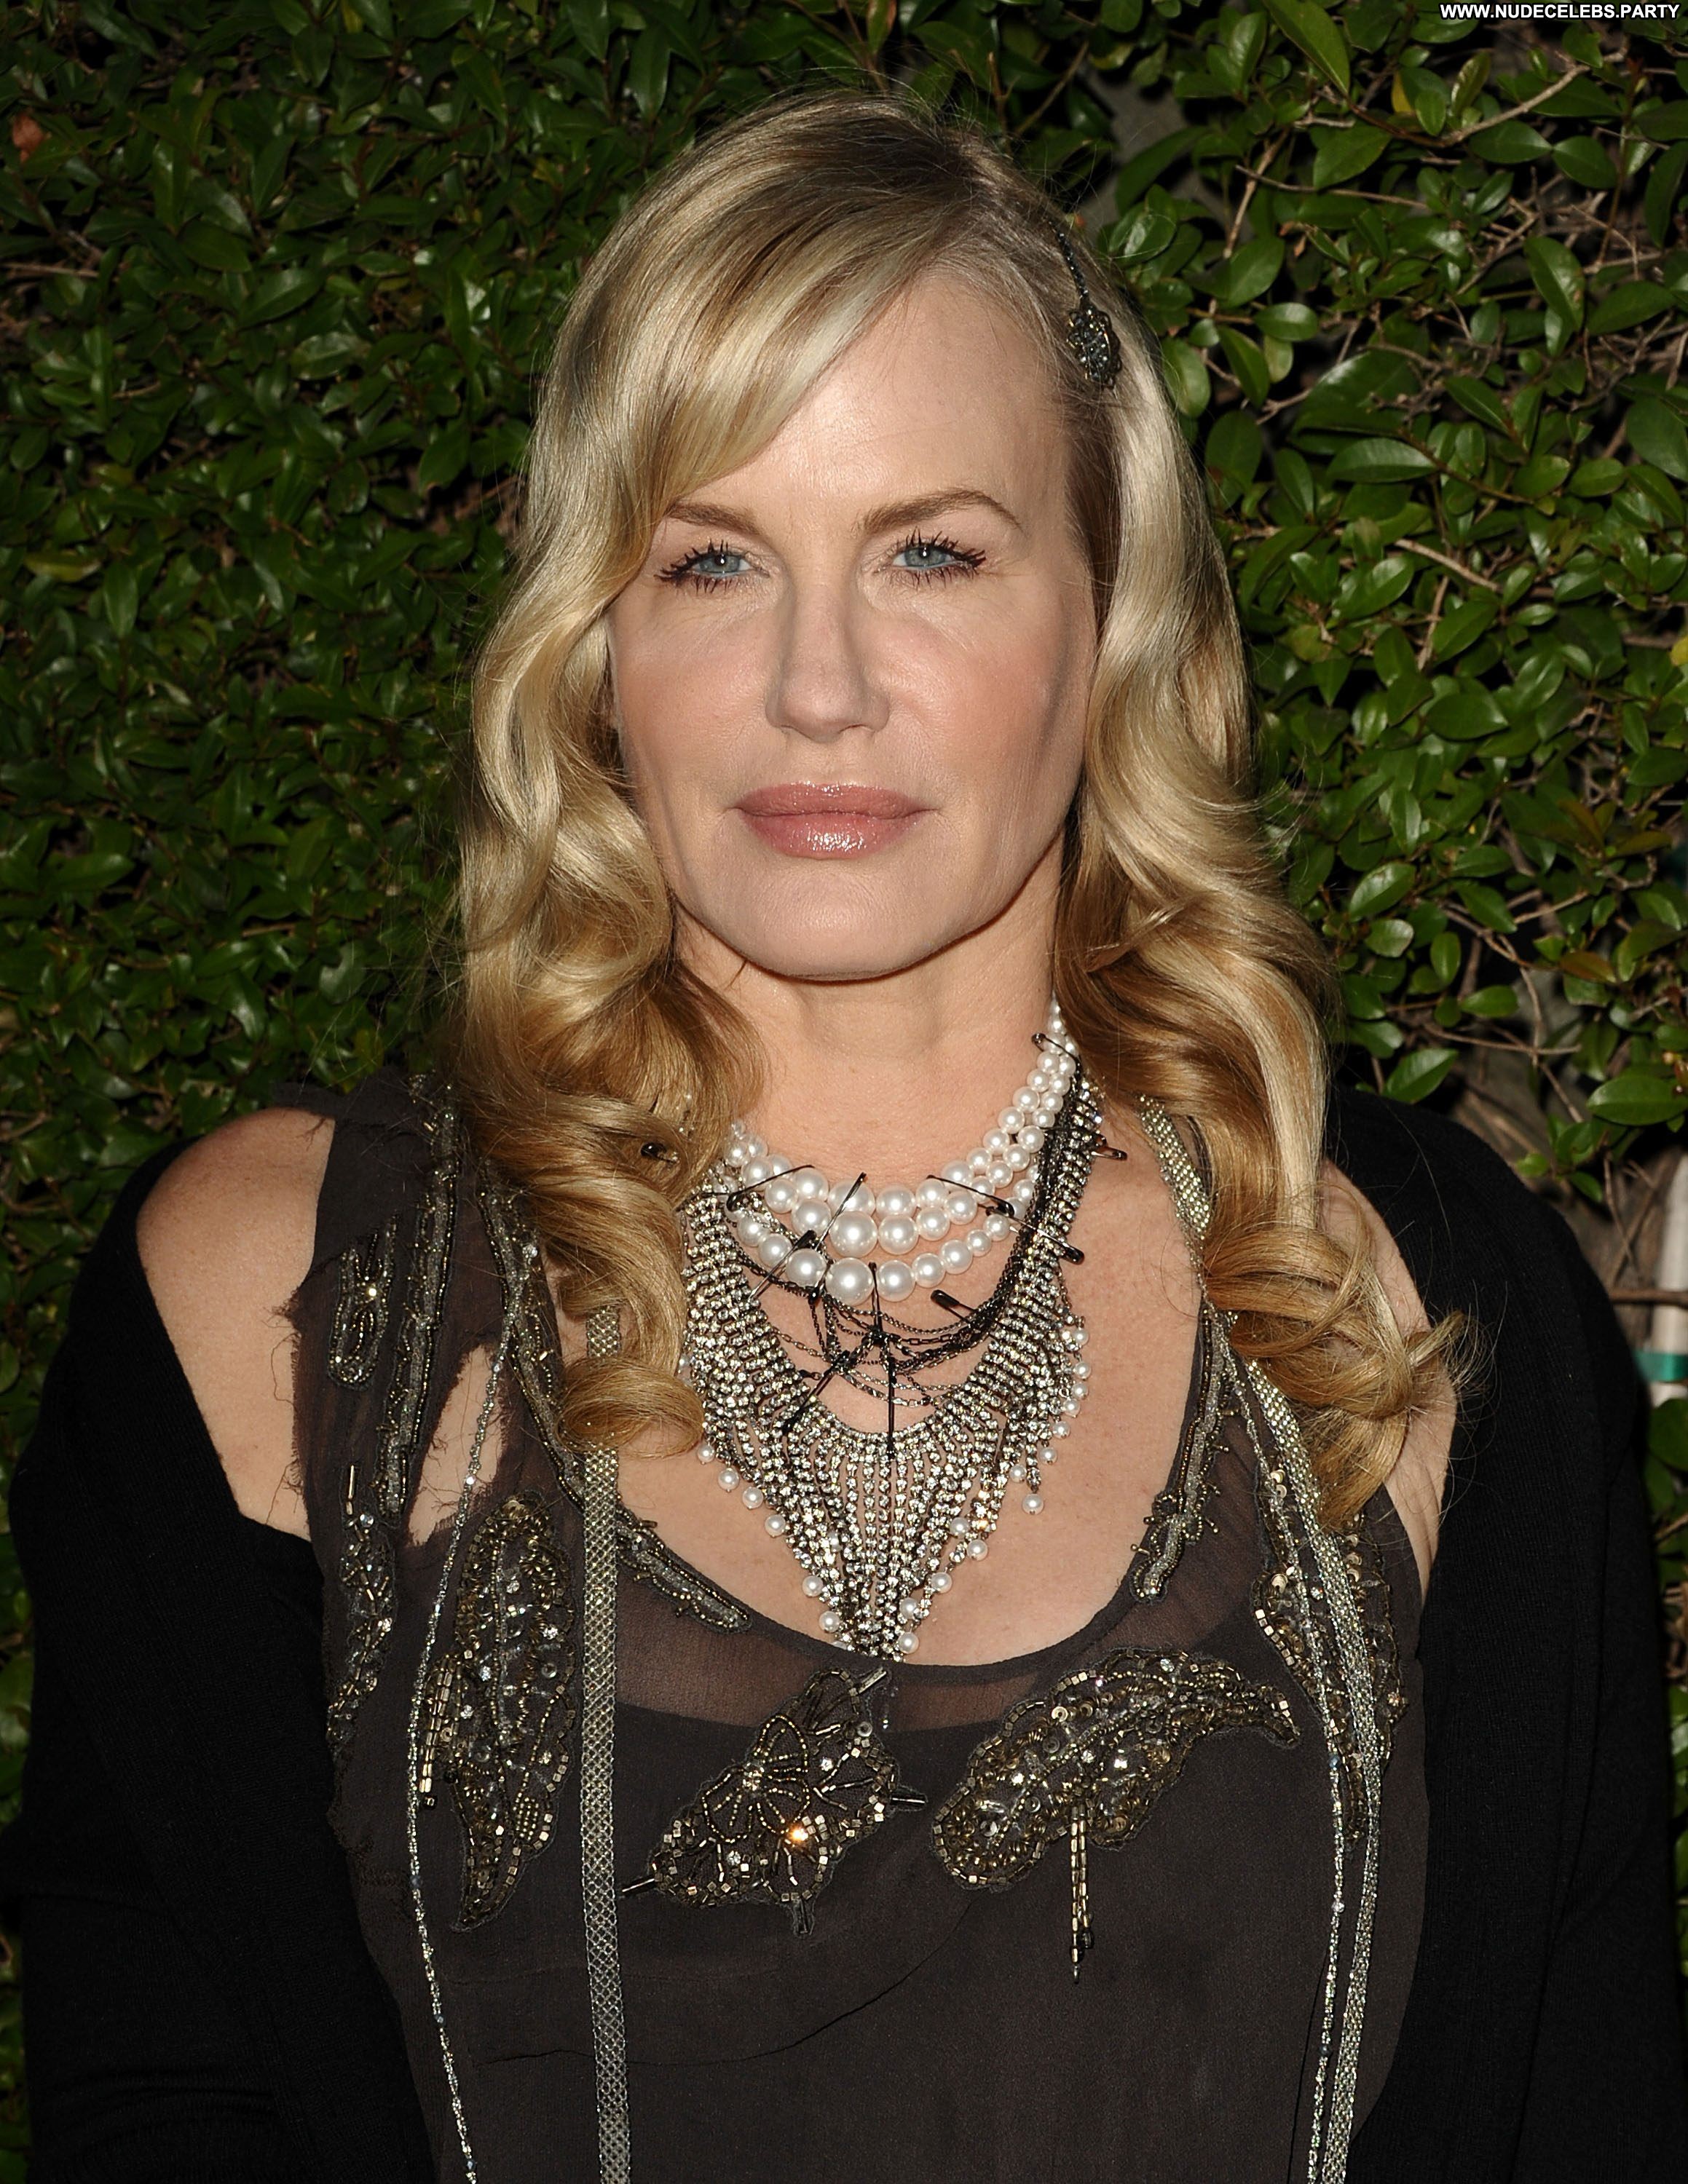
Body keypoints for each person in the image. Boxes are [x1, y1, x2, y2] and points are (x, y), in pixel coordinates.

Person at [4, 92, 1683, 2184]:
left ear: (1110, 618)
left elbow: (1580, 2113)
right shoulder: (277, 1293)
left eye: (932, 554)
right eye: (712, 559)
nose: (817, 687)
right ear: (596, 644)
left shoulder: (1409, 1294)